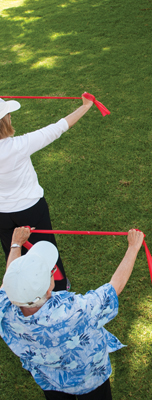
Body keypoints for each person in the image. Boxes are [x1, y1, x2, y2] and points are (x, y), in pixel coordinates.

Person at [0, 226, 145, 399]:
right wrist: (133, 247)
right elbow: (113, 288)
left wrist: (16, 245)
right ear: (48, 289)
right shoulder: (74, 312)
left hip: (50, 380)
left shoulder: (4, 307)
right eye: (51, 271)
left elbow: (8, 283)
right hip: (91, 378)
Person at [0, 95, 94, 291]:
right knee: (45, 250)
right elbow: (58, 128)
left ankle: (24, 291)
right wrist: (86, 106)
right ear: (5, 120)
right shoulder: (19, 146)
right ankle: (59, 288)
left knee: (14, 253)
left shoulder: (18, 145)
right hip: (31, 210)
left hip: (2, 216)